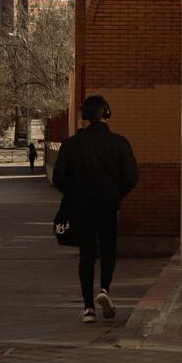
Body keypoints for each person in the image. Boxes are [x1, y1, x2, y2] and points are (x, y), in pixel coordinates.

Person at [52, 94, 138, 323]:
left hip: (81, 206)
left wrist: (73, 194)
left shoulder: (71, 145)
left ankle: (88, 307)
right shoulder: (120, 143)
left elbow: (58, 178)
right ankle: (105, 289)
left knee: (86, 254)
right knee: (108, 249)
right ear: (106, 114)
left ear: (84, 116)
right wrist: (117, 194)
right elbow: (131, 176)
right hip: (108, 205)